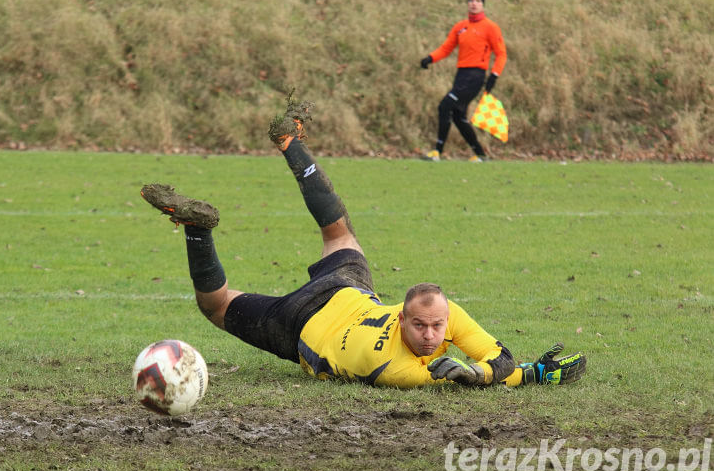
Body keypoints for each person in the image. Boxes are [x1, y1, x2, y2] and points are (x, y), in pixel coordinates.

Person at [140, 96, 585, 389]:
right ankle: (202, 228)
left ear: (439, 316)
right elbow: (500, 367)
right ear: (404, 317)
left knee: (338, 232)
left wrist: (505, 370)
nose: (432, 336)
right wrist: (527, 375)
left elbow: (498, 359)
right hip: (310, 318)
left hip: (339, 298)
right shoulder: (403, 373)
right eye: (422, 326)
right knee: (217, 306)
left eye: (436, 327)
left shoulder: (434, 325)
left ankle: (286, 145)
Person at [420, 0, 507, 163]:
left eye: (477, 1)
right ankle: (480, 155)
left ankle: (437, 151)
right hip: (461, 75)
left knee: (444, 106)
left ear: (482, 5)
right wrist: (430, 58)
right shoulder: (460, 27)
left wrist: (494, 76)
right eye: (471, 1)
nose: (474, 3)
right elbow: (446, 48)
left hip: (475, 76)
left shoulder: (490, 27)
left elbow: (501, 54)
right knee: (458, 116)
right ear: (467, 4)